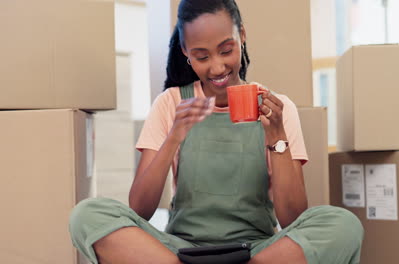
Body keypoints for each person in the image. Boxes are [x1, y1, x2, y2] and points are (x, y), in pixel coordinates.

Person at [69, 0, 363, 263]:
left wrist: (277, 138)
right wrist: (174, 137)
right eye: (202, 56)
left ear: (242, 36)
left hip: (256, 249)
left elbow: (293, 219)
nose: (217, 67)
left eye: (226, 50)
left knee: (343, 225)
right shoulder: (171, 103)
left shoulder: (277, 108)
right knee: (87, 215)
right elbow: (140, 209)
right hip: (181, 250)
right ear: (186, 52)